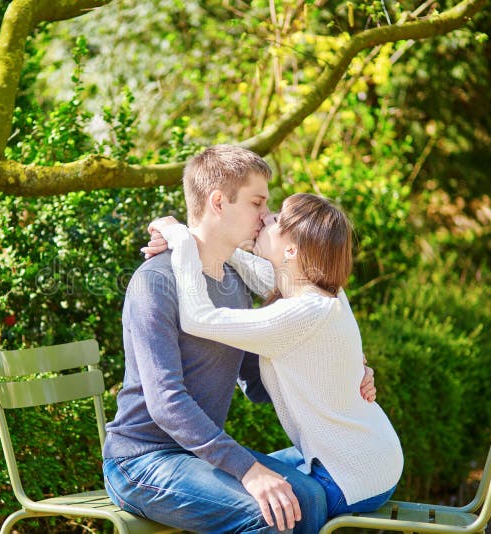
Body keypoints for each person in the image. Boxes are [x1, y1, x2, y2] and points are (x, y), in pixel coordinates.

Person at [102, 145, 376, 533]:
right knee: (277, 516)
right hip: (142, 460)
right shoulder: (156, 282)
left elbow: (258, 378)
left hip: (195, 456)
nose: (267, 217)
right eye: (257, 202)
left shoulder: (233, 282)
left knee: (311, 498)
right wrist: (248, 470)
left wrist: (345, 374)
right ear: (218, 202)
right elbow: (166, 402)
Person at [149, 193, 403, 519]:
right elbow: (254, 269)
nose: (265, 218)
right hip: (369, 460)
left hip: (348, 480)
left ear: (291, 250)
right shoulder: (319, 290)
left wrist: (182, 240)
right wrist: (201, 237)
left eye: (275, 221)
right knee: (235, 475)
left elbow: (198, 318)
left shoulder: (300, 312)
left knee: (235, 493)